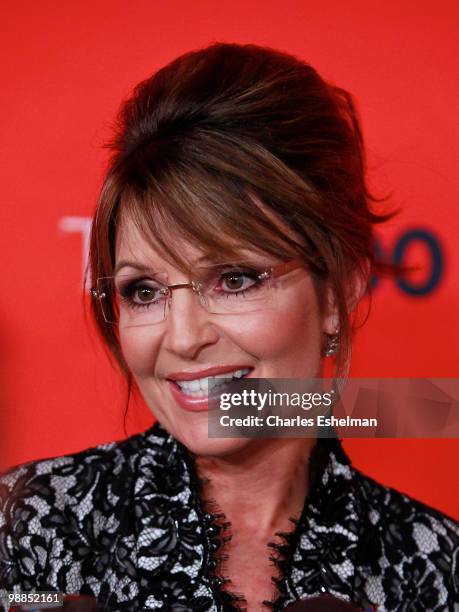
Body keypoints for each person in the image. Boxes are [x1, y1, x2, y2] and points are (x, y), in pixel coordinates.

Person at [0, 42, 458, 612]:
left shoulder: (438, 571)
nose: (185, 336)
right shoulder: (24, 530)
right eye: (144, 291)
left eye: (235, 280)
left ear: (339, 289)